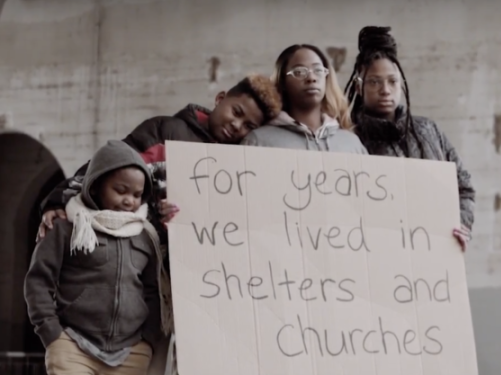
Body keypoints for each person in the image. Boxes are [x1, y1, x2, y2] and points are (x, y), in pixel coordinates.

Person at [37, 74, 282, 238]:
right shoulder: (164, 131)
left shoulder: (238, 166)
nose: (237, 125)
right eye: (236, 112)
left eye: (249, 126)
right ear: (220, 99)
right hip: (142, 257)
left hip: (199, 278)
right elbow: (103, 170)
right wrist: (59, 201)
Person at [24, 140, 163, 375]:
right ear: (95, 186)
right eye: (120, 190)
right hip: (72, 346)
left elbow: (152, 291)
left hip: (130, 353)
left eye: (137, 194)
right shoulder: (66, 228)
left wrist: (147, 341)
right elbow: (38, 281)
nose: (129, 200)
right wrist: (52, 333)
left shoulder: (145, 236)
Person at [344, 26, 475, 250]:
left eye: (392, 81)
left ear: (401, 84)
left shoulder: (429, 130)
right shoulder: (347, 138)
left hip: (435, 255)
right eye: (375, 82)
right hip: (375, 256)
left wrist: (461, 223)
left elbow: (463, 186)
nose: (385, 90)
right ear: (358, 86)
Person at [241, 44, 366, 154]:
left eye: (318, 70)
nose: (311, 78)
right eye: (299, 72)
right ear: (283, 82)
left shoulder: (351, 144)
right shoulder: (258, 141)